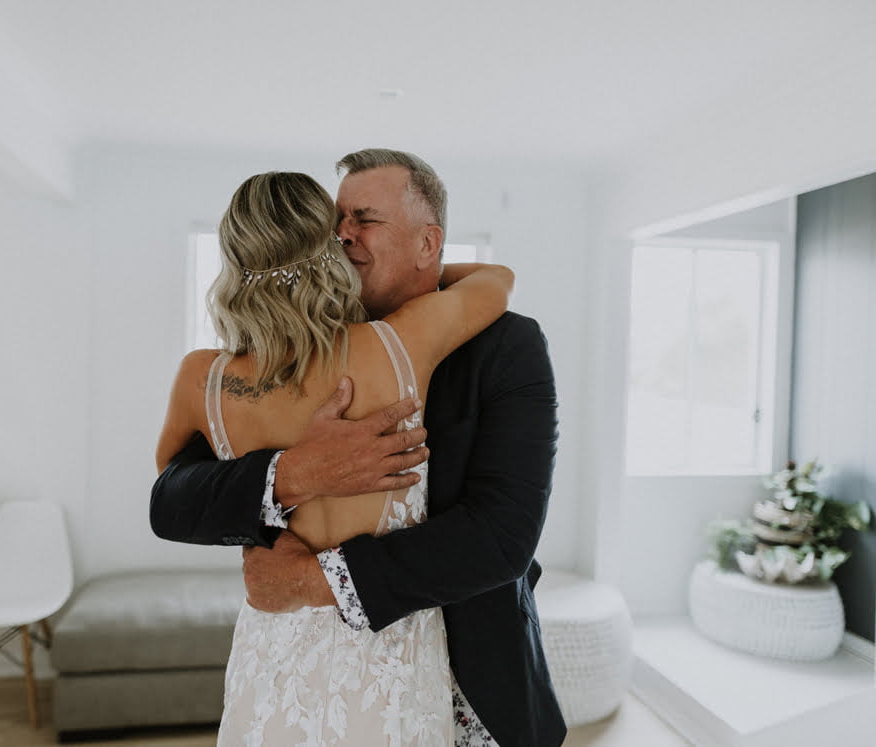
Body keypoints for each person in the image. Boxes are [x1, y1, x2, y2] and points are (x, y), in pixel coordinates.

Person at [151, 149, 566, 745]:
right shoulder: (320, 351)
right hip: (299, 669)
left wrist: (306, 581)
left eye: (365, 219)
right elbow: (172, 497)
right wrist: (292, 473)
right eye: (335, 222)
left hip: (474, 674)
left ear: (428, 243)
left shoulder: (507, 345)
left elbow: (502, 535)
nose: (343, 235)